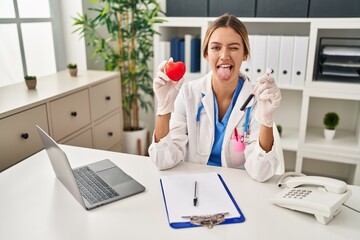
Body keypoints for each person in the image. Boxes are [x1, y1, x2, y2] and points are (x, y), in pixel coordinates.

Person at [148, 14, 281, 182]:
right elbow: (162, 160)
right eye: (216, 48)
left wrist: (267, 120)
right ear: (206, 54)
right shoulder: (188, 93)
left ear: (245, 54)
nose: (224, 55)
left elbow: (261, 173)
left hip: (237, 188)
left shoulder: (256, 100)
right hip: (193, 185)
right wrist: (164, 108)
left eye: (233, 48)